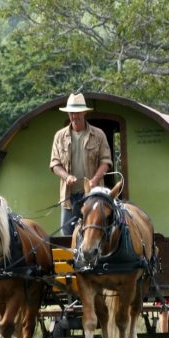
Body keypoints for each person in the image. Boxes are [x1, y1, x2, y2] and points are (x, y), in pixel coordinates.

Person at [50, 93, 113, 235]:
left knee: (93, 234)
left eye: (78, 113)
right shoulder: (60, 136)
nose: (75, 116)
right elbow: (55, 164)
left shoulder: (98, 135)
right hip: (69, 198)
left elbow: (106, 162)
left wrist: (94, 180)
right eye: (72, 113)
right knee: (67, 235)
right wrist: (66, 177)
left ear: (84, 112)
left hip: (93, 196)